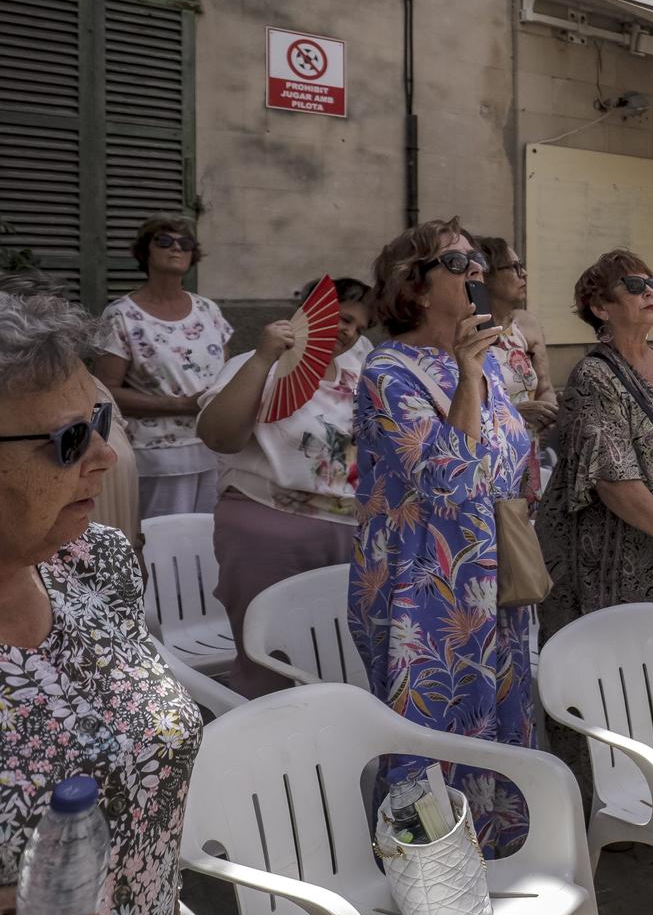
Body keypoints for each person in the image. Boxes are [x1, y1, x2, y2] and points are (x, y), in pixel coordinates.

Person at [0, 292, 203, 915]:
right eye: (68, 439)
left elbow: (136, 779)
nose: (105, 454)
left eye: (103, 420)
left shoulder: (97, 563)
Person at [348, 221, 535, 857]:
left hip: (492, 579)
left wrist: (476, 372)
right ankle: (425, 882)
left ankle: (498, 872)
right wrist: (466, 375)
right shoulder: (387, 372)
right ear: (417, 287)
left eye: (479, 261)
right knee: (428, 741)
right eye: (459, 262)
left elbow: (507, 461)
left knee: (496, 729)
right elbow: (447, 480)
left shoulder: (486, 363)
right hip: (423, 589)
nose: (477, 270)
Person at [540, 252, 653, 765]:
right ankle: (620, 811)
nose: (649, 291)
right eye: (633, 285)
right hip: (612, 566)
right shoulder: (595, 377)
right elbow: (613, 478)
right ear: (600, 306)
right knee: (622, 681)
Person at [195, 277, 373, 697]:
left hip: (349, 534)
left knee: (337, 656)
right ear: (312, 314)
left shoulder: (357, 376)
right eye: (343, 318)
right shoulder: (254, 364)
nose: (349, 332)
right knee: (271, 656)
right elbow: (220, 436)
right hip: (268, 533)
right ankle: (267, 753)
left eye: (360, 328)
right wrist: (262, 358)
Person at [92, 216, 233, 518]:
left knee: (207, 544)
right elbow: (106, 392)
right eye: (164, 241)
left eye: (185, 243)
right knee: (162, 548)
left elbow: (226, 377)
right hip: (158, 458)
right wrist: (182, 405)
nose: (176, 248)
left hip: (214, 449)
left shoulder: (209, 310)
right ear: (145, 251)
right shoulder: (121, 315)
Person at [0, 270, 140, 548]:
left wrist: (134, 547)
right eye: (72, 435)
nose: (106, 456)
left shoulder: (89, 389)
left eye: (98, 421)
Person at [472, 236, 556, 499]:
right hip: (485, 461)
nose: (524, 273)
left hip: (525, 451)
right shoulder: (466, 332)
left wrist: (548, 413)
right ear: (487, 274)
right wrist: (516, 413)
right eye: (514, 267)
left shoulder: (525, 325)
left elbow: (544, 386)